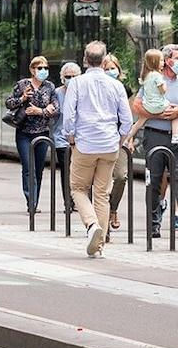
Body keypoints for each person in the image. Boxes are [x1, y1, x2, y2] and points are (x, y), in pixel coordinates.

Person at [62, 41, 133, 257]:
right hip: (110, 145)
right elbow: (127, 120)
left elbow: (69, 117)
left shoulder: (76, 84)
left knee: (78, 189)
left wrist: (72, 139)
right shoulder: (116, 85)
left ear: (85, 60)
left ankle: (92, 225)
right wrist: (119, 141)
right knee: (102, 194)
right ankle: (99, 244)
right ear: (104, 61)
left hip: (84, 144)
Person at [134, 44, 178, 239]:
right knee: (154, 181)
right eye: (177, 58)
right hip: (155, 135)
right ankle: (154, 224)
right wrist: (161, 114)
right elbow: (137, 106)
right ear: (166, 60)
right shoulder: (152, 80)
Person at [7, 55, 58, 215]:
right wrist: (22, 98)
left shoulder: (49, 87)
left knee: (39, 168)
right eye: (39, 68)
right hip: (24, 132)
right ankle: (31, 201)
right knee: (28, 167)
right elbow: (9, 103)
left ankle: (35, 199)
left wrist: (40, 111)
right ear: (32, 70)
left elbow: (55, 108)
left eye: (45, 68)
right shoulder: (22, 84)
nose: (43, 71)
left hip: (42, 134)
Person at [102, 53, 135, 237]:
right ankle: (103, 220)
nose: (110, 71)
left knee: (121, 176)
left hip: (119, 139)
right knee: (102, 180)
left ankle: (113, 208)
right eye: (106, 68)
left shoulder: (125, 88)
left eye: (113, 68)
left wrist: (129, 138)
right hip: (101, 139)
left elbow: (129, 116)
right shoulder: (96, 87)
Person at [51, 61, 80, 214]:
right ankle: (68, 202)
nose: (71, 79)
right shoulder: (57, 93)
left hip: (81, 139)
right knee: (66, 170)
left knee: (80, 171)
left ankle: (79, 200)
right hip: (62, 138)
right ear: (62, 78)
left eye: (74, 76)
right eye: (68, 76)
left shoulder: (84, 91)